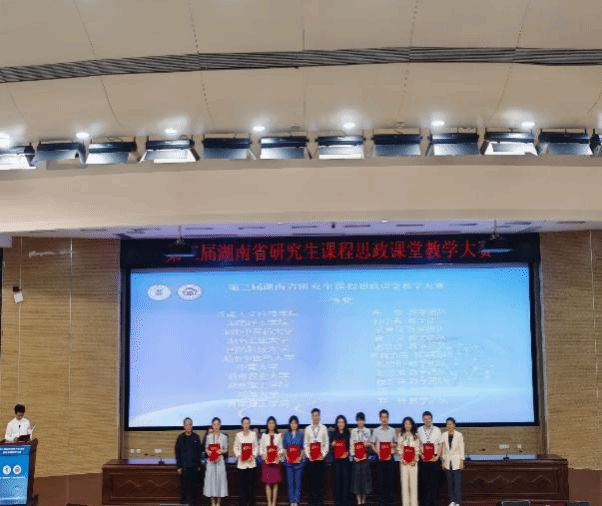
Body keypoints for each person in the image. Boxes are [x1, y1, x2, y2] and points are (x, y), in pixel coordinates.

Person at [304, 408, 329, 506]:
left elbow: (326, 443)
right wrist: (309, 456)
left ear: (319, 416)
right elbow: (305, 444)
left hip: (320, 460)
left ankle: (319, 502)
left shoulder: (324, 428)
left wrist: (322, 455)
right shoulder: (307, 429)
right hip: (311, 460)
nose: (315, 417)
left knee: (320, 482)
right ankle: (312, 503)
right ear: (311, 416)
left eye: (317, 415)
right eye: (313, 415)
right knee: (311, 483)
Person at [370, 409, 396, 506]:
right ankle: (381, 503)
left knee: (390, 482)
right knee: (380, 482)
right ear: (380, 418)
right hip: (380, 459)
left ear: (388, 418)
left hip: (390, 459)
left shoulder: (392, 430)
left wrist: (393, 445)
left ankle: (390, 503)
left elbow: (396, 443)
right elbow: (372, 444)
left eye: (386, 417)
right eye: (382, 417)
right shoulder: (376, 430)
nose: (384, 419)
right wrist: (378, 452)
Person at [175, 417, 203, 506]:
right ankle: (184, 504)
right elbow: (177, 453)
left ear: (192, 426)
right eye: (186, 425)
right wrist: (179, 467)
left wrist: (198, 465)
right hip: (184, 468)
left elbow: (199, 452)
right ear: (184, 426)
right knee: (184, 490)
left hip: (194, 468)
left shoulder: (196, 437)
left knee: (194, 489)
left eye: (190, 424)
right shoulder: (180, 438)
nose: (188, 426)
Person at [417, 411, 442, 506]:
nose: (427, 421)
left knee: (434, 483)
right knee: (424, 483)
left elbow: (440, 444)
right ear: (423, 420)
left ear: (432, 419)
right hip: (423, 460)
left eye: (428, 419)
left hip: (434, 460)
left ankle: (434, 503)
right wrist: (421, 454)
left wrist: (437, 456)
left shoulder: (437, 430)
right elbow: (418, 444)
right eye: (425, 419)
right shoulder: (419, 430)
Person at [203, 417, 228, 506]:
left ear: (220, 425)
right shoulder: (209, 437)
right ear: (212, 426)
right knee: (211, 482)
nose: (216, 426)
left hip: (220, 461)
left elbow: (226, 449)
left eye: (218, 424)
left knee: (219, 482)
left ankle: (218, 503)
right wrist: (208, 452)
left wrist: (221, 451)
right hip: (211, 462)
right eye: (214, 424)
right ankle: (213, 502)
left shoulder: (224, 437)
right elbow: (206, 448)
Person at [234, 416, 258, 506]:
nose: (246, 425)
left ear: (249, 424)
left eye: (247, 423)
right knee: (242, 486)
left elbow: (256, 447)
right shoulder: (238, 435)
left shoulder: (253, 434)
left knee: (251, 486)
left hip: (251, 464)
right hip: (242, 464)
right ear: (242, 425)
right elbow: (235, 447)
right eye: (244, 423)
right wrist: (239, 455)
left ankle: (250, 503)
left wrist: (253, 455)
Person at [440, 417, 464, 506]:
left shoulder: (459, 435)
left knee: (456, 483)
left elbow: (461, 448)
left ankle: (457, 502)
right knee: (450, 483)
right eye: (447, 424)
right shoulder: (444, 435)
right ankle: (452, 501)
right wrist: (443, 461)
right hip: (447, 461)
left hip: (456, 461)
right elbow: (443, 449)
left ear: (454, 425)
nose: (449, 426)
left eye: (450, 424)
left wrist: (461, 461)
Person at [260, 416, 283, 506]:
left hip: (276, 462)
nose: (271, 425)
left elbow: (281, 449)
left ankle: (274, 503)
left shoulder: (279, 436)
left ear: (275, 425)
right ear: (267, 425)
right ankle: (269, 503)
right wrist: (264, 455)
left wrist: (278, 455)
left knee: (275, 483)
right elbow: (261, 449)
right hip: (267, 462)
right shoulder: (264, 436)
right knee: (268, 483)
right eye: (270, 423)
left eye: (273, 423)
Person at [350, 412, 372, 505]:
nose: (360, 422)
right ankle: (358, 500)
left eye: (362, 420)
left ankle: (364, 500)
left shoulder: (367, 431)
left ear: (364, 421)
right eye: (359, 420)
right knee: (357, 481)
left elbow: (370, 444)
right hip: (356, 460)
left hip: (364, 459)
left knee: (365, 481)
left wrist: (367, 444)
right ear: (356, 421)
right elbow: (351, 445)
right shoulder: (353, 431)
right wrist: (354, 456)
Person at [398, 417, 420, 506]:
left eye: (409, 424)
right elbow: (399, 449)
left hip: (413, 464)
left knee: (413, 485)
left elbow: (417, 449)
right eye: (406, 424)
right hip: (404, 464)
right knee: (404, 486)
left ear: (412, 425)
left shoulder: (416, 435)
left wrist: (415, 460)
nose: (407, 426)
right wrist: (402, 459)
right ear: (404, 425)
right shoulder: (400, 435)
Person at [283, 415, 304, 506]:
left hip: (298, 463)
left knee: (298, 483)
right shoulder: (286, 434)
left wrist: (299, 458)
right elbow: (284, 448)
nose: (293, 425)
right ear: (290, 424)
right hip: (289, 463)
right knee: (290, 483)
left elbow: (303, 448)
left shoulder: (301, 435)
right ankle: (292, 501)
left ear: (297, 424)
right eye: (292, 423)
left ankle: (296, 501)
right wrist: (287, 457)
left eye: (295, 423)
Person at [331, 415, 351, 506]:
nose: (341, 424)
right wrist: (332, 445)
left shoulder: (348, 433)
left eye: (342, 422)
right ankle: (338, 503)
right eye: (339, 422)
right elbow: (330, 448)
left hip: (345, 462)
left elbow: (351, 447)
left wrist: (348, 453)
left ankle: (345, 503)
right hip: (336, 462)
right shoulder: (333, 434)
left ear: (345, 423)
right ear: (337, 424)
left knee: (345, 483)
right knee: (337, 482)